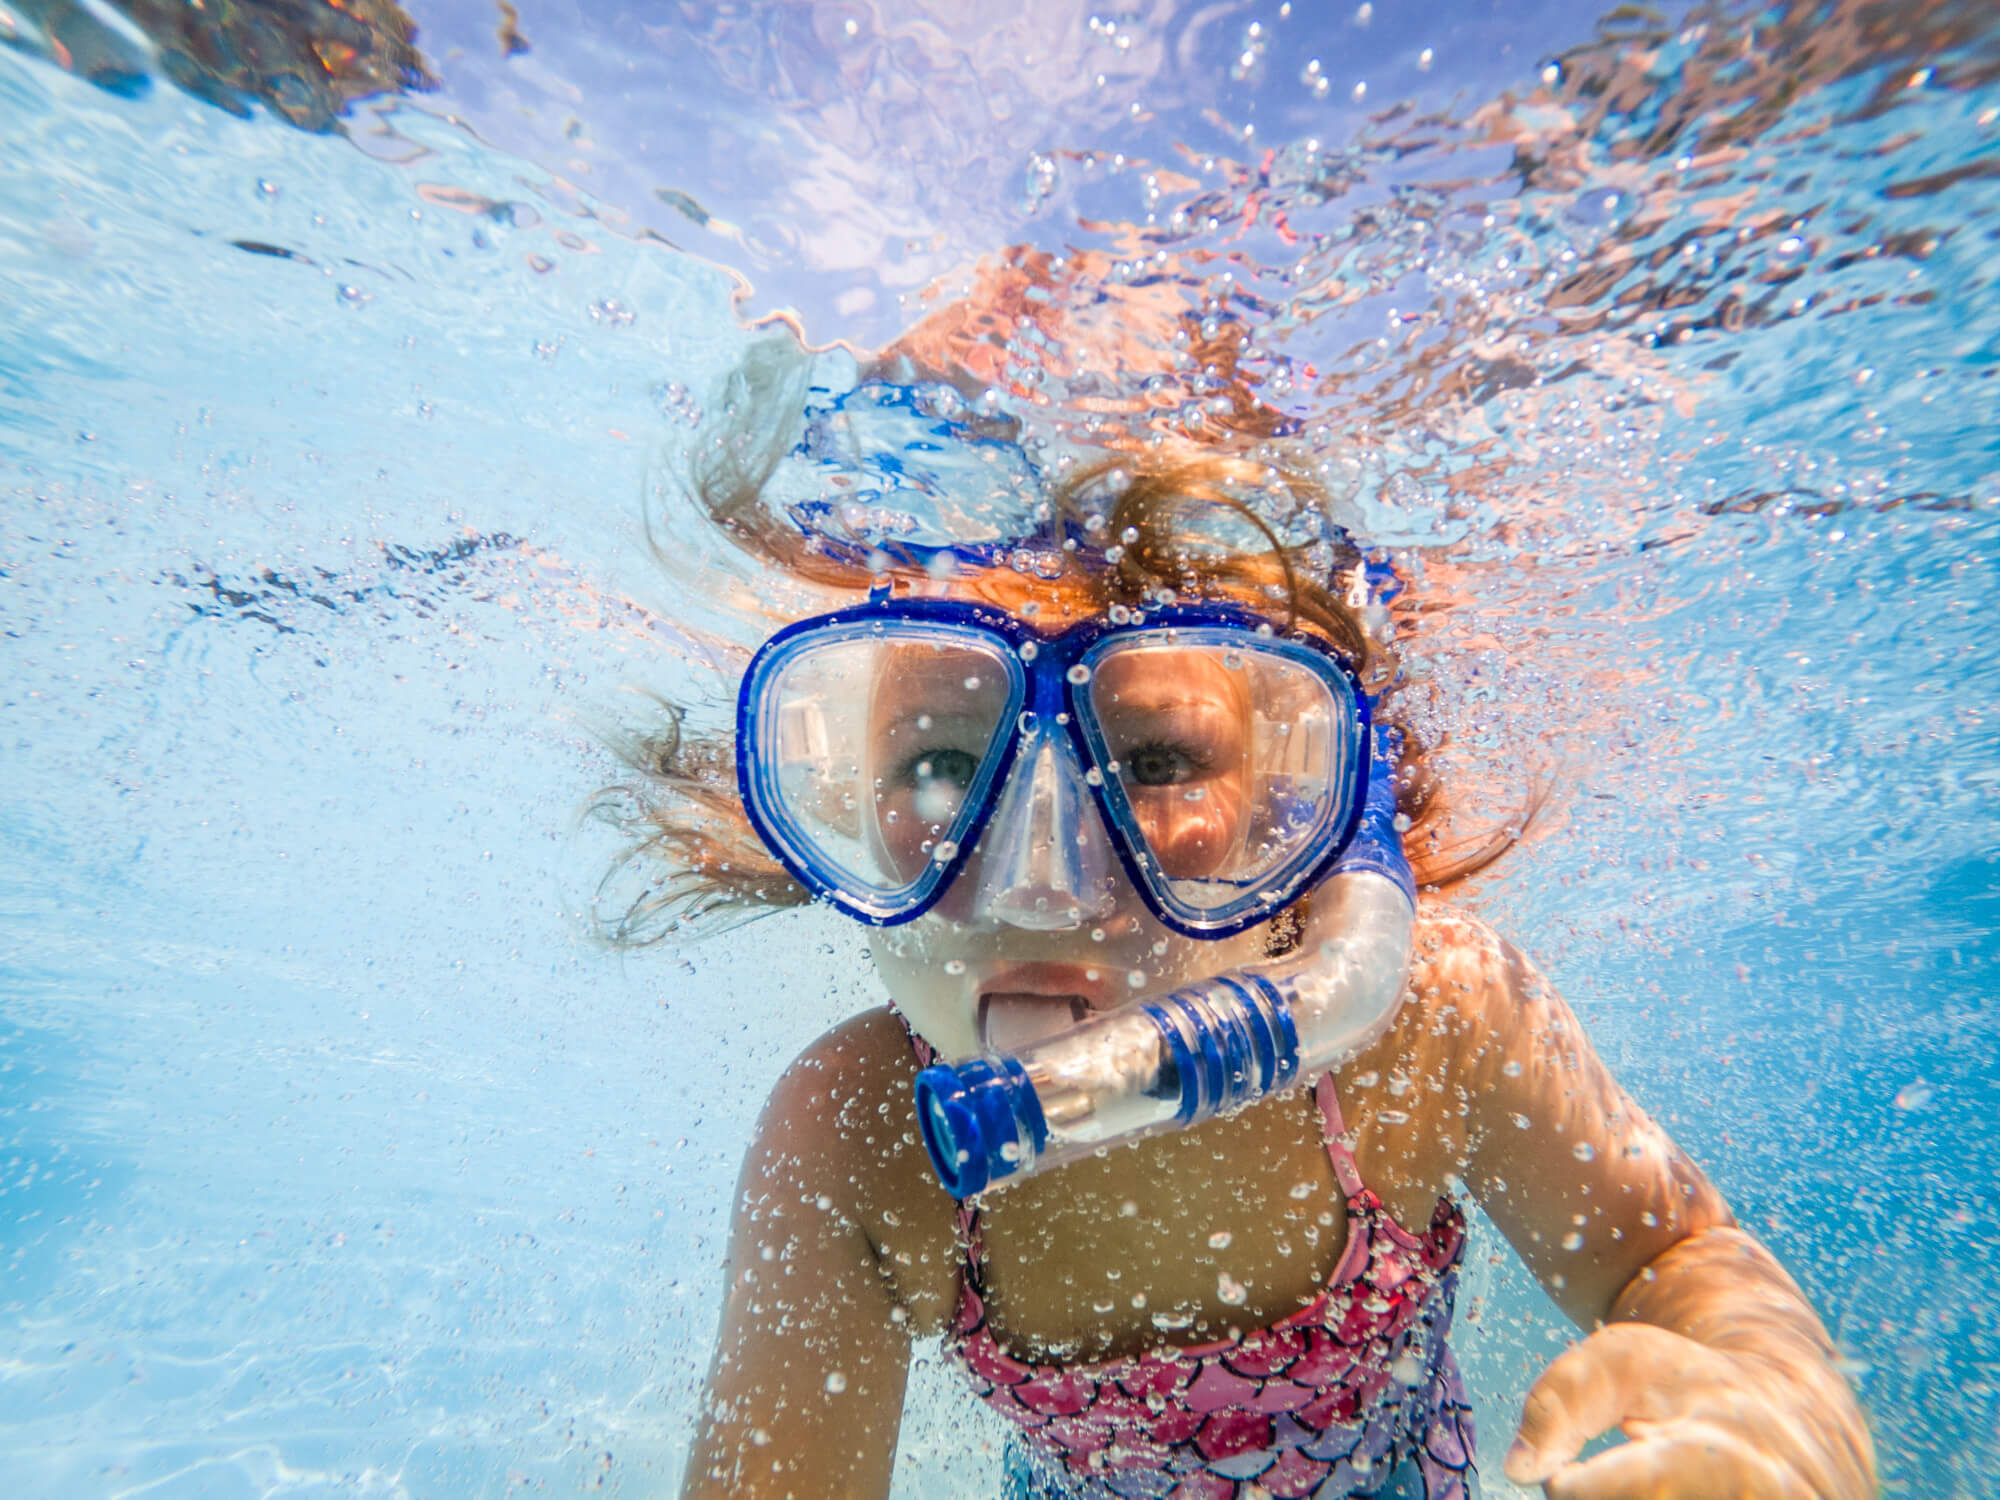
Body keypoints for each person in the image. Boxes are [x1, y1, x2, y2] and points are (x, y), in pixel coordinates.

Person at [600, 340, 1875, 1499]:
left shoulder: (1424, 1021)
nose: (1037, 877)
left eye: (1153, 761)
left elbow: (1668, 1255)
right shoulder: (858, 1140)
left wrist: (1775, 1408)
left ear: (1301, 803)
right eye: (940, 763)